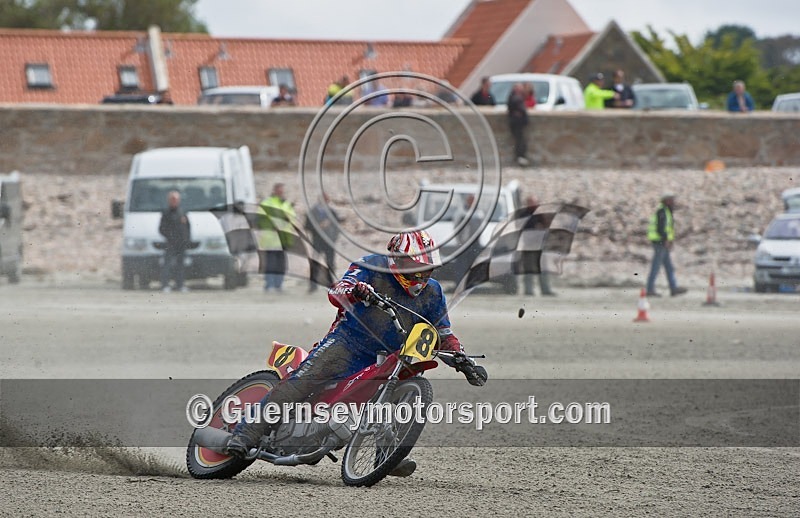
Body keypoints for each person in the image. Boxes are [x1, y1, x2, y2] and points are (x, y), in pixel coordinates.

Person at [225, 230, 487, 477]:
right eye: (413, 267)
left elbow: (441, 332)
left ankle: (385, 456)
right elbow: (336, 290)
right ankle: (244, 433)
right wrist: (356, 290)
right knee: (304, 380)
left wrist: (462, 360)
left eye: (426, 269)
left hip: (391, 354)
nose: (420, 275)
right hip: (349, 343)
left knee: (398, 392)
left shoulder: (434, 292)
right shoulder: (370, 266)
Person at [646, 194, 687, 297]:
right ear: (667, 201)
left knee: (669, 267)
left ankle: (673, 288)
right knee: (656, 267)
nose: (674, 202)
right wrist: (666, 240)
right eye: (671, 200)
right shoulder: (662, 211)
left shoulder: (666, 211)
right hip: (660, 243)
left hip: (662, 242)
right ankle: (650, 289)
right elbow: (661, 228)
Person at [258, 183, 296, 292]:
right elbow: (261, 219)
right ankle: (269, 284)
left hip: (284, 239)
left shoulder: (286, 204)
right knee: (270, 263)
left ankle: (278, 285)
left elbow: (292, 218)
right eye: (279, 190)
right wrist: (272, 225)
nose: (281, 192)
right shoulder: (267, 203)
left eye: (282, 190)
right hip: (271, 239)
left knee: (281, 264)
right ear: (274, 190)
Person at [304, 194, 342, 292]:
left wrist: (334, 238)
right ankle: (313, 286)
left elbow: (337, 227)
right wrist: (318, 227)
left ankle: (330, 284)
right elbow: (307, 226)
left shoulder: (332, 212)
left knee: (330, 263)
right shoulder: (312, 212)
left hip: (329, 242)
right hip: (317, 241)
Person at [521, 196, 555, 296]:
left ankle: (545, 290)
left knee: (543, 269)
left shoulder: (540, 214)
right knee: (529, 270)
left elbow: (547, 226)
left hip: (540, 246)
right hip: (528, 246)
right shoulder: (524, 215)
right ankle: (528, 291)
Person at [158, 190, 191, 293]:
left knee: (180, 265)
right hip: (170, 243)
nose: (174, 201)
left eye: (176, 199)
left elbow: (188, 227)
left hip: (181, 244)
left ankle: (180, 285)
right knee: (167, 264)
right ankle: (165, 285)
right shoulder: (166, 213)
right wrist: (170, 237)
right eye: (172, 199)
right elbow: (161, 228)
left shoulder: (182, 212)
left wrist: (187, 239)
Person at [507, 83, 530, 166]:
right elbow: (520, 110)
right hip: (516, 122)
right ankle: (520, 157)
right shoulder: (515, 98)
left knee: (520, 140)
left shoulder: (517, 97)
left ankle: (521, 157)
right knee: (519, 141)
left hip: (519, 122)